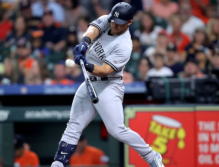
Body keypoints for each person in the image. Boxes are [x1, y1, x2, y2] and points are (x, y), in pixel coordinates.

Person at [51, 3, 164, 167]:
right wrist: (84, 43)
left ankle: (151, 155)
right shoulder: (108, 19)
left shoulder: (125, 45)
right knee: (74, 125)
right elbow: (93, 30)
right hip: (89, 82)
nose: (114, 24)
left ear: (129, 22)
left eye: (119, 23)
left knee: (116, 130)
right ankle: (59, 163)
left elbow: (105, 70)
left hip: (109, 86)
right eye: (113, 21)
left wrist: (87, 65)